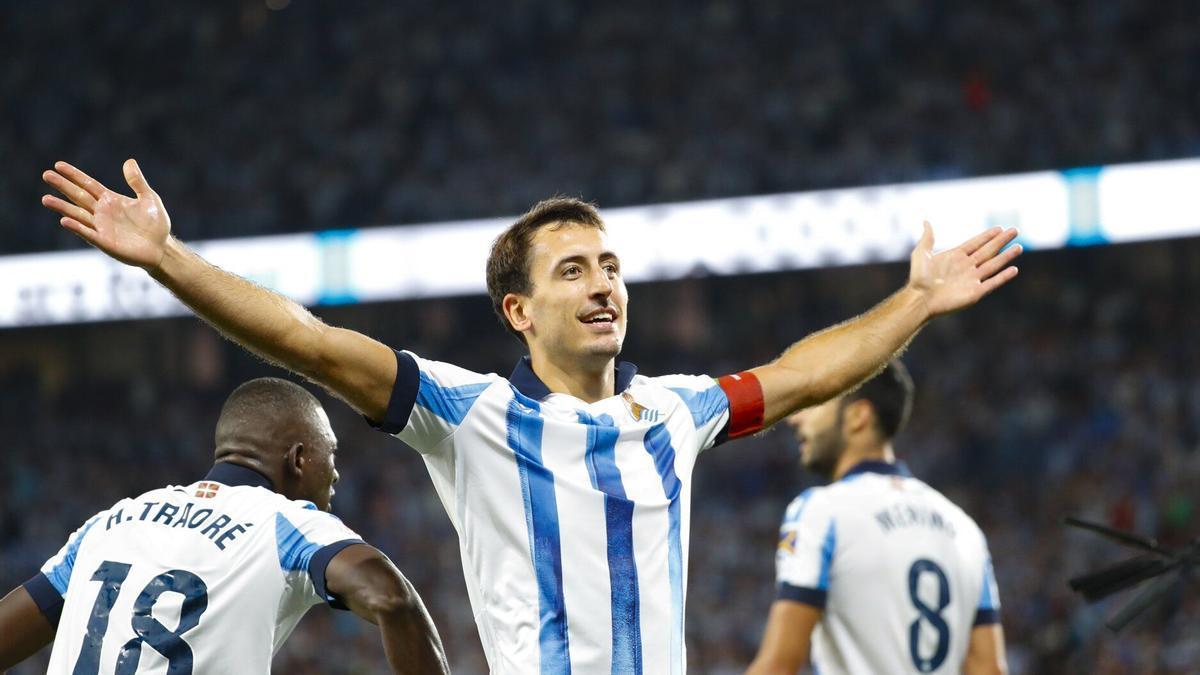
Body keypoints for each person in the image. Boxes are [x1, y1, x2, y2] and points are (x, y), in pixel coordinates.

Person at [40, 159, 1020, 674]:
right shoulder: (470, 415)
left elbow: (803, 373)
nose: (603, 287)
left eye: (610, 267)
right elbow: (310, 342)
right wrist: (169, 260)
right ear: (519, 310)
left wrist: (917, 301)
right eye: (572, 271)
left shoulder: (673, 413)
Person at [0, 377, 449, 675]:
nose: (335, 475)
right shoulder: (288, 524)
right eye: (331, 456)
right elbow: (390, 598)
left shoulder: (110, 522)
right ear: (298, 459)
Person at [746, 361, 1007, 675]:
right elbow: (989, 669)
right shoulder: (964, 528)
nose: (795, 418)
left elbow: (778, 665)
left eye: (813, 404)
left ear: (859, 416)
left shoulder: (821, 511)